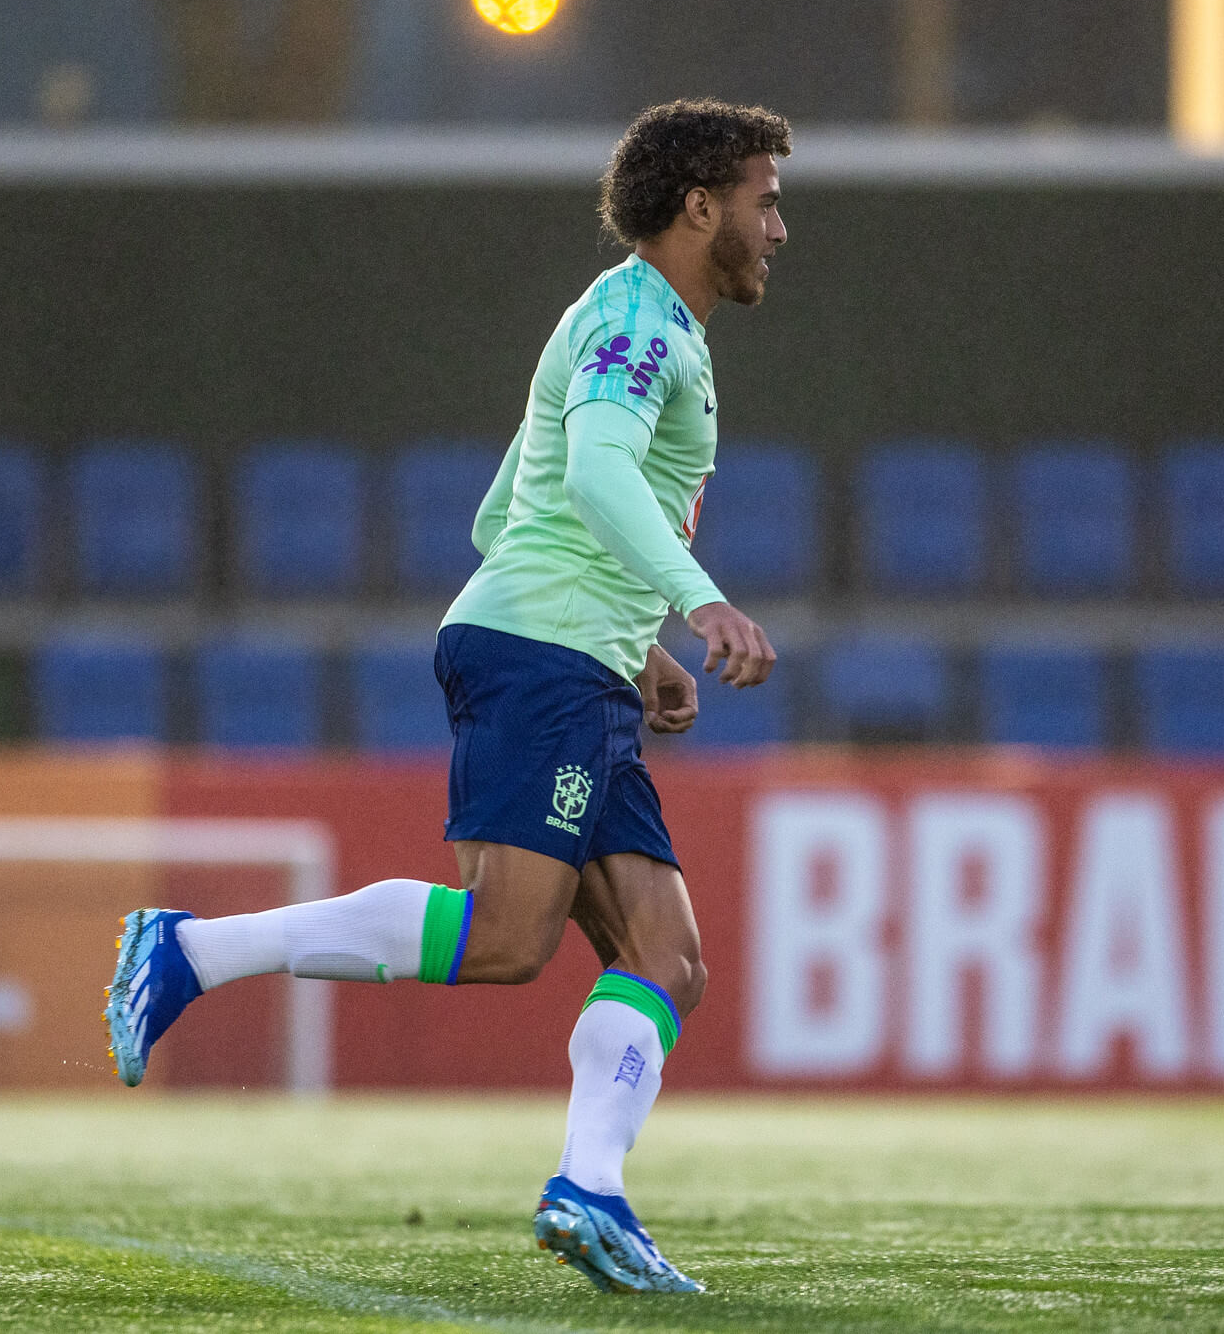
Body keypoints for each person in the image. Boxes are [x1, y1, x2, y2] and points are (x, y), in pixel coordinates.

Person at [105, 98, 788, 1292]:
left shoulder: (631, 318)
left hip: (577, 661)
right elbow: (589, 471)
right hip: (543, 660)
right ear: (698, 207)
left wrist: (638, 648)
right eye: (764, 200)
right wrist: (691, 600)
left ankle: (590, 1190)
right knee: (506, 939)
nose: (779, 227)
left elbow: (500, 515)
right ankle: (191, 950)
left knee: (667, 957)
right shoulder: (638, 319)